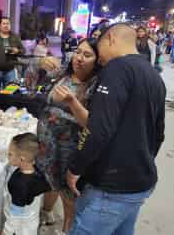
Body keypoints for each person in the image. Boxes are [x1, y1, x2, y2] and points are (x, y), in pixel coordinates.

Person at [66, 24, 166, 235]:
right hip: (139, 183)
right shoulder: (153, 75)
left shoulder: (117, 68)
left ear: (110, 38)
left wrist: (76, 168)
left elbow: (98, 128)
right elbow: (158, 134)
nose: (100, 59)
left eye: (98, 48)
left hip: (110, 189)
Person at [36, 38, 100, 234]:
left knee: (69, 195)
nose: (79, 58)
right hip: (48, 144)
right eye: (78, 52)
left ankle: (67, 230)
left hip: (69, 148)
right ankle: (46, 213)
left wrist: (72, 101)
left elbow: (92, 124)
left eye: (87, 55)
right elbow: (35, 71)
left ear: (98, 60)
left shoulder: (97, 84)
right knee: (49, 181)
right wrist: (41, 62)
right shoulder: (63, 73)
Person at [3, 133, 50, 235]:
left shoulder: (20, 185)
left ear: (22, 158)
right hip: (32, 218)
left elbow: (15, 215)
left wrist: (6, 232)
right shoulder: (38, 171)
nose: (7, 156)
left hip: (21, 226)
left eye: (10, 154)